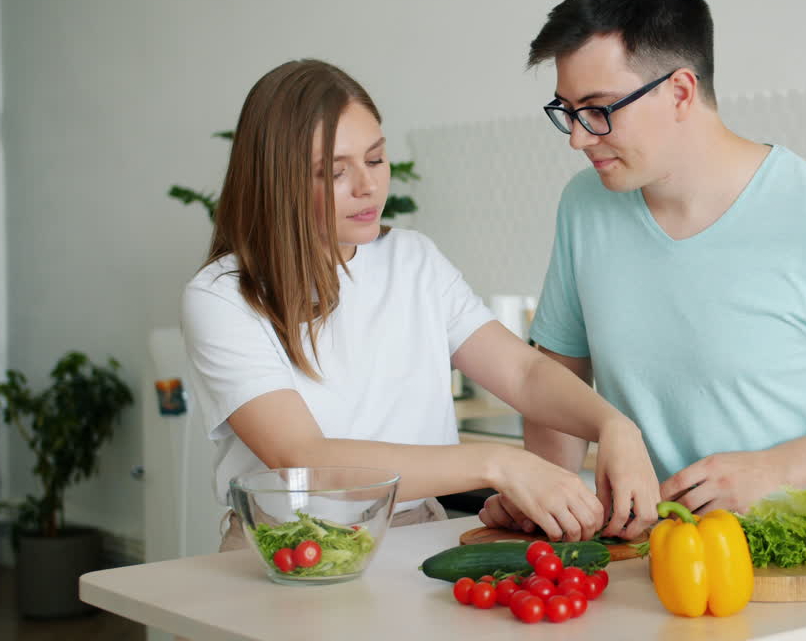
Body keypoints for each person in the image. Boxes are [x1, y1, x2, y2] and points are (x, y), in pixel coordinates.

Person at [480, 0, 806, 534]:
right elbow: (559, 377)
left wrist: (773, 471)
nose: (578, 137)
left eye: (598, 109)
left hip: (803, 575)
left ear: (680, 92)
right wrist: (549, 499)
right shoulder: (584, 206)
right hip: (655, 570)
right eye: (567, 111)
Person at [181, 59, 660, 549]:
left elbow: (524, 374)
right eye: (333, 171)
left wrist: (614, 425)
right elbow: (304, 458)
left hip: (416, 540)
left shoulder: (413, 260)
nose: (367, 186)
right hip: (284, 552)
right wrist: (499, 464)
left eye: (374, 159)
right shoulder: (223, 296)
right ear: (275, 180)